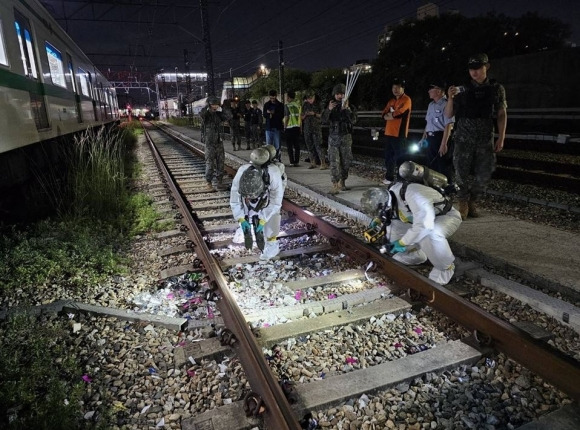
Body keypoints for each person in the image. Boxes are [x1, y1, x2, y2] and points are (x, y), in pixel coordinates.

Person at [361, 161, 462, 285]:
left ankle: (446, 268)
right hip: (418, 219)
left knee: (431, 234)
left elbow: (425, 225)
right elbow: (393, 215)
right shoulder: (391, 193)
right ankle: (421, 253)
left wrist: (402, 242)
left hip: (443, 217)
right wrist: (378, 221)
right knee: (397, 251)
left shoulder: (414, 196)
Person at [444, 53, 507, 220]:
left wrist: (501, 137)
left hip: (485, 137)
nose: (474, 72)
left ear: (487, 67)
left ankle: (473, 201)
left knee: (485, 172)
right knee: (461, 172)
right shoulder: (462, 89)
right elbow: (448, 114)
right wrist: (450, 98)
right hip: (464, 137)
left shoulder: (496, 88)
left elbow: (501, 113)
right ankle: (463, 202)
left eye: (478, 68)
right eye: (472, 69)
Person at [230, 147, 285, 260]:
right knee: (247, 205)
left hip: (271, 190)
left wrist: (263, 219)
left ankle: (272, 243)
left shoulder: (274, 173)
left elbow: (275, 203)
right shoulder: (242, 172)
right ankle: (245, 226)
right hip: (258, 189)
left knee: (273, 214)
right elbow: (235, 199)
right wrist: (241, 218)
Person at [321, 84, 357, 194]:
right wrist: (329, 109)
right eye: (337, 94)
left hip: (346, 137)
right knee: (334, 162)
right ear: (334, 95)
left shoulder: (351, 106)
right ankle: (335, 184)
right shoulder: (331, 106)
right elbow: (323, 120)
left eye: (342, 94)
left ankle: (343, 181)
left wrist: (347, 109)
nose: (340, 96)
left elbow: (354, 120)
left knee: (346, 162)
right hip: (333, 138)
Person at [420, 81, 455, 184]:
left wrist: (444, 143)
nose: (429, 91)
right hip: (430, 137)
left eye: (431, 89)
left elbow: (448, 125)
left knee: (443, 163)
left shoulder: (446, 104)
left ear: (439, 91)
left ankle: (447, 186)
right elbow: (428, 123)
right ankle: (433, 185)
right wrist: (423, 138)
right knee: (431, 163)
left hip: (441, 137)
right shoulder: (431, 105)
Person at [380, 79, 412, 185]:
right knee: (388, 157)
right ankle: (389, 177)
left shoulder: (406, 100)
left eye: (398, 87)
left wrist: (390, 115)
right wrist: (389, 115)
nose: (395, 90)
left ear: (403, 88)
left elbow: (399, 113)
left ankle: (401, 179)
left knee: (400, 157)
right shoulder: (391, 101)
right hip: (389, 133)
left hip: (400, 134)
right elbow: (383, 114)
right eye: (394, 87)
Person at [201, 96, 232, 192]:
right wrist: (207, 107)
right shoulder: (206, 115)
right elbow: (202, 114)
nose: (215, 106)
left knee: (220, 163)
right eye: (213, 104)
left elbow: (228, 116)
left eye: (216, 104)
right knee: (210, 164)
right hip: (209, 143)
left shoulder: (219, 115)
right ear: (209, 105)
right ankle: (208, 183)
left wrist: (223, 106)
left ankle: (219, 182)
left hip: (219, 142)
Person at [301, 91, 328, 170]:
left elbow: (323, 116)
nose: (309, 100)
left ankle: (323, 163)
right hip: (307, 128)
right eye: (308, 98)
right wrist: (306, 114)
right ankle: (313, 162)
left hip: (316, 128)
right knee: (309, 145)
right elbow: (301, 117)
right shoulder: (305, 105)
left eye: (311, 98)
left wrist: (314, 114)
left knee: (319, 145)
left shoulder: (319, 104)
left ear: (314, 97)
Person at [263, 89, 285, 160]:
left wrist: (274, 113)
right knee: (268, 145)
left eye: (273, 97)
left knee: (277, 145)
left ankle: (277, 159)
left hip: (277, 127)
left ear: (276, 96)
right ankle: (269, 159)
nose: (272, 99)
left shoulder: (280, 105)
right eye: (271, 98)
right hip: (268, 127)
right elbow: (264, 115)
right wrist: (268, 113)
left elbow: (282, 115)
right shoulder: (266, 104)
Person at [284, 90, 302, 166]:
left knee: (289, 146)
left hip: (289, 127)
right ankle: (297, 162)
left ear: (288, 97)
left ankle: (292, 162)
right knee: (297, 145)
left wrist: (285, 126)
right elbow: (300, 117)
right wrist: (301, 128)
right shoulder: (298, 105)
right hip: (297, 127)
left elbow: (287, 117)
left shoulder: (287, 106)